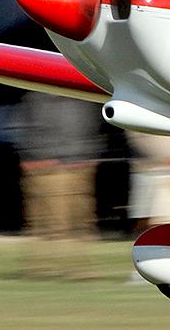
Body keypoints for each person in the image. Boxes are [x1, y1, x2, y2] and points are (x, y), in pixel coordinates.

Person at [14, 91, 105, 278]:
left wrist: (88, 155)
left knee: (80, 220)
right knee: (46, 221)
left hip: (77, 164)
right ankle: (41, 266)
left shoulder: (83, 99)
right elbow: (24, 129)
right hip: (46, 166)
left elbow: (91, 128)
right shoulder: (36, 97)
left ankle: (79, 267)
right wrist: (34, 156)